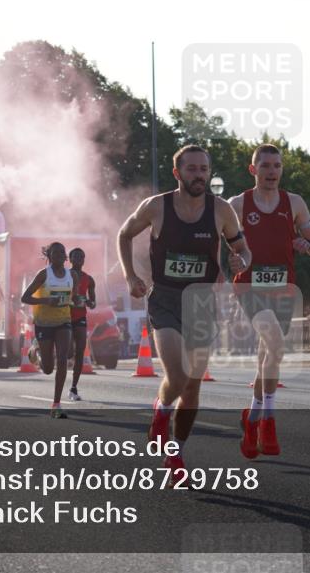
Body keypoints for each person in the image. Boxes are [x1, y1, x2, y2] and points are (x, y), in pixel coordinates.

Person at [117, 145, 251, 485]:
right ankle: (161, 411)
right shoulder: (156, 206)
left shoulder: (221, 210)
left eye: (204, 169)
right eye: (191, 169)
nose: (199, 175)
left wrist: (241, 261)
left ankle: (175, 454)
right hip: (165, 298)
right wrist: (131, 276)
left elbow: (242, 249)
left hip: (203, 303)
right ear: (178, 174)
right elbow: (124, 233)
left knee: (192, 388)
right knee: (177, 376)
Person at [230, 144, 310, 458]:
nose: (272, 172)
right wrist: (234, 259)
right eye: (266, 166)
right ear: (253, 169)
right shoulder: (237, 204)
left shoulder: (294, 203)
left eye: (277, 166)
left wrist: (305, 244)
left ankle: (252, 418)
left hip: (283, 287)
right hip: (250, 288)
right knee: (276, 347)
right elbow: (221, 243)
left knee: (267, 359)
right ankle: (269, 420)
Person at [21, 243, 75, 419]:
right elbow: (25, 297)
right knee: (48, 369)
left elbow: (73, 297)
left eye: (62, 252)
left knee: (62, 358)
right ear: (49, 256)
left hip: (64, 321)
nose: (60, 255)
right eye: (55, 253)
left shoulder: (71, 274)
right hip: (44, 323)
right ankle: (35, 350)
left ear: (65, 256)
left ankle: (56, 404)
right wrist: (46, 301)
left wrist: (79, 300)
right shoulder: (44, 274)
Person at [67, 247, 97, 401]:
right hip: (64, 317)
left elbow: (93, 303)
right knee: (69, 352)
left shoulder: (89, 279)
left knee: (80, 353)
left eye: (81, 257)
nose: (79, 259)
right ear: (70, 259)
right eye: (76, 257)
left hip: (80, 318)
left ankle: (73, 387)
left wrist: (88, 302)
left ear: (84, 260)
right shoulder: (64, 276)